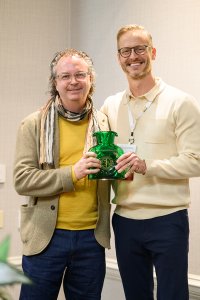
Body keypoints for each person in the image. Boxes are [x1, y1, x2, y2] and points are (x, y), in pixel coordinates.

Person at [101, 24, 200, 300]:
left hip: (167, 220)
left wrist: (148, 166)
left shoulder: (181, 102)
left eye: (140, 48)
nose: (133, 56)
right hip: (124, 220)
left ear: (152, 52)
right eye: (126, 51)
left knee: (173, 295)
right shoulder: (110, 105)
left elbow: (196, 161)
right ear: (119, 57)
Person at [13, 48, 111, 300]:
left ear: (90, 79)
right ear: (55, 83)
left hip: (92, 239)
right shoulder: (34, 124)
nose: (73, 82)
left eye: (80, 74)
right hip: (46, 238)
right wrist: (72, 173)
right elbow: (23, 179)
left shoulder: (105, 123)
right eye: (65, 76)